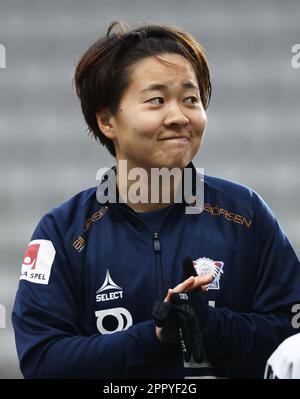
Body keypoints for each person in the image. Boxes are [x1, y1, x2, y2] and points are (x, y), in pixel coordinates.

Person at [12, 20, 300, 379]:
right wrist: (153, 336)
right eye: (157, 100)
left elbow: (292, 337)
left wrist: (209, 325)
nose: (179, 116)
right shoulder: (63, 232)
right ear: (107, 120)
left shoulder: (245, 214)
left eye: (191, 99)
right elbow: (42, 360)